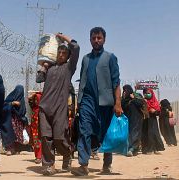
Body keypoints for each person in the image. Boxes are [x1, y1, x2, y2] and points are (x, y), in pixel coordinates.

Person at [71, 27, 122, 176]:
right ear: (90, 40)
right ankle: (83, 165)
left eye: (99, 38)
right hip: (87, 101)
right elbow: (82, 82)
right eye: (93, 38)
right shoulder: (86, 59)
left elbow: (116, 82)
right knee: (84, 130)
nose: (96, 40)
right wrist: (79, 102)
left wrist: (117, 103)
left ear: (104, 39)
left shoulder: (110, 57)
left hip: (106, 103)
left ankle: (107, 165)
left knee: (106, 133)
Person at [36, 33, 80, 175]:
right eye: (59, 52)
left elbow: (76, 47)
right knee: (46, 137)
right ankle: (49, 165)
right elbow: (38, 78)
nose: (61, 55)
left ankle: (67, 154)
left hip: (59, 108)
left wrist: (63, 37)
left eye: (64, 53)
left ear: (68, 56)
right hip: (44, 107)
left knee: (59, 137)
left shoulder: (69, 68)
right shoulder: (49, 68)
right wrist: (44, 65)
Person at [0, 85, 28, 156]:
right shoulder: (10, 98)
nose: (19, 93)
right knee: (9, 133)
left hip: (18, 121)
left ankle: (16, 149)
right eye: (18, 91)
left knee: (18, 135)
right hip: (9, 119)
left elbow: (23, 111)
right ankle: (9, 149)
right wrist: (12, 104)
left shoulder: (22, 100)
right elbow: (3, 106)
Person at [121, 85, 146, 156]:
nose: (124, 92)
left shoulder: (137, 95)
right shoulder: (124, 98)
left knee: (135, 133)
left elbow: (141, 104)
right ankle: (131, 149)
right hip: (128, 119)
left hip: (137, 119)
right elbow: (123, 106)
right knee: (129, 134)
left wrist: (134, 98)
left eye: (125, 90)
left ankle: (132, 149)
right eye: (124, 91)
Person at [141, 88, 165, 154]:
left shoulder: (155, 102)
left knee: (154, 134)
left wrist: (154, 111)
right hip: (146, 120)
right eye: (145, 93)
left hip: (153, 120)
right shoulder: (143, 101)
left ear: (152, 93)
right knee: (146, 134)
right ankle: (148, 150)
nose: (147, 94)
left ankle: (155, 149)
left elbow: (158, 112)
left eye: (148, 93)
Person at [28, 91, 42, 164]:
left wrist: (39, 93)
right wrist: (34, 94)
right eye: (35, 100)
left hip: (40, 129)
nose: (36, 101)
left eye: (37, 99)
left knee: (40, 143)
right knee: (36, 143)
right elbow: (29, 100)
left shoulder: (42, 109)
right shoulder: (33, 108)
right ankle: (37, 156)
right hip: (34, 129)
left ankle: (39, 157)